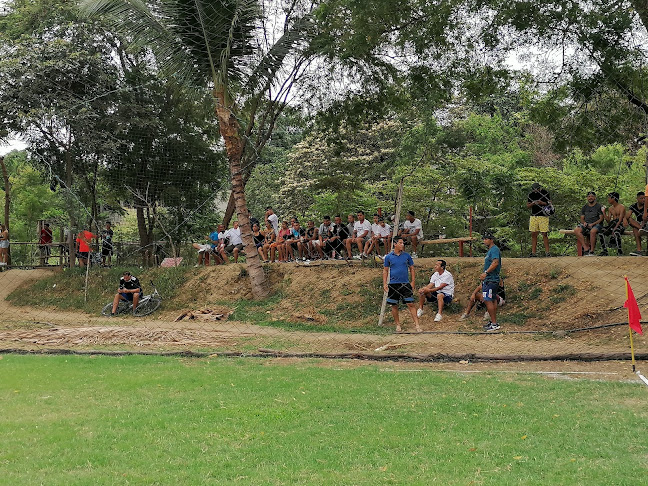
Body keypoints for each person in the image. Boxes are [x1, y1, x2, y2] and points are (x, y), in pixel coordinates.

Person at [383, 237, 422, 333]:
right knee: (394, 305)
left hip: (405, 283)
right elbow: (385, 270)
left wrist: (413, 281)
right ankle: (398, 325)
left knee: (410, 303)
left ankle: (417, 325)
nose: (402, 244)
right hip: (393, 284)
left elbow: (412, 268)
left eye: (403, 243)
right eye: (400, 243)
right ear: (395, 244)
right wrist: (384, 283)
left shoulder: (407, 256)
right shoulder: (388, 257)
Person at [481, 231, 502, 331]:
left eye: (486, 239)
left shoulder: (494, 250)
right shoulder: (490, 250)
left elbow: (495, 262)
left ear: (491, 240)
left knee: (488, 300)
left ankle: (494, 324)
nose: (484, 241)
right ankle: (493, 322)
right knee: (492, 300)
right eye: (484, 239)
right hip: (490, 279)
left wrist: (486, 272)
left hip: (491, 280)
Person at [574, 191, 604, 256]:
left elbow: (601, 218)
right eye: (589, 196)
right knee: (576, 230)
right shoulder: (584, 207)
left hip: (597, 224)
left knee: (593, 232)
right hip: (586, 224)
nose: (590, 198)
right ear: (587, 198)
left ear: (595, 197)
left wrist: (593, 224)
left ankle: (592, 251)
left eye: (592, 196)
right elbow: (582, 218)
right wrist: (584, 223)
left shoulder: (599, 206)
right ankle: (585, 248)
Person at [527, 182, 552, 257]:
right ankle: (533, 252)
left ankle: (547, 252)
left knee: (544, 233)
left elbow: (550, 203)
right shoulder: (530, 195)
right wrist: (533, 203)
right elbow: (528, 205)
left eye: (537, 189)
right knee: (533, 234)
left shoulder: (545, 193)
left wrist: (542, 203)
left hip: (543, 215)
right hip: (534, 215)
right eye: (534, 189)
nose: (536, 190)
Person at [600, 192, 626, 256]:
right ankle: (605, 250)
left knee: (616, 232)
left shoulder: (621, 207)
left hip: (620, 224)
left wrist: (614, 229)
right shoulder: (610, 208)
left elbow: (620, 219)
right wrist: (603, 212)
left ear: (613, 198)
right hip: (612, 225)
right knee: (601, 232)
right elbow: (608, 220)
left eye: (609, 198)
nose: (608, 199)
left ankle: (619, 250)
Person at [626, 191, 646, 256]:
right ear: (637, 198)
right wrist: (624, 220)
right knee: (631, 222)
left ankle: (643, 229)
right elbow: (628, 215)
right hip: (639, 225)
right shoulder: (634, 206)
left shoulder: (646, 205)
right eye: (641, 198)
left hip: (646, 222)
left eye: (644, 198)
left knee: (635, 229)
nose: (643, 200)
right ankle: (639, 250)